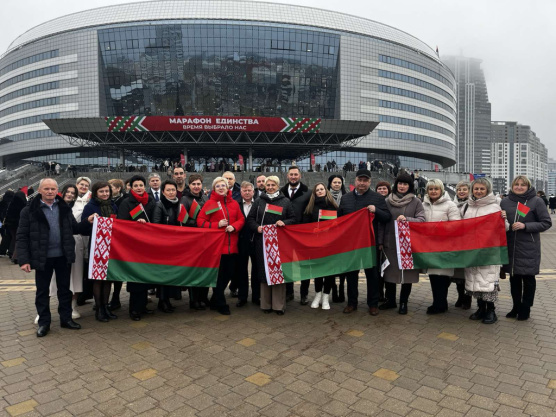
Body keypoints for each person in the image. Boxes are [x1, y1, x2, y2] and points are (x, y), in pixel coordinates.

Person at [17, 178, 94, 337]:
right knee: (42, 291)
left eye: (53, 189)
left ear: (57, 190)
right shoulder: (29, 210)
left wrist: (87, 221)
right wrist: (24, 260)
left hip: (63, 256)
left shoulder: (64, 207)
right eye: (46, 189)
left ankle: (66, 319)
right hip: (42, 257)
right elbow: (22, 236)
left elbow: (76, 228)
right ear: (40, 190)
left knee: (64, 290)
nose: (50, 192)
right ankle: (44, 322)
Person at [338, 168, 391, 315]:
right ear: (355, 181)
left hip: (370, 243)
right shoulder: (345, 198)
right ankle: (352, 303)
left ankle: (373, 304)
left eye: (365, 180)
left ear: (369, 182)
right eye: (359, 180)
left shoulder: (378, 198)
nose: (362, 183)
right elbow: (339, 221)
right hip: (351, 244)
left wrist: (376, 211)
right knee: (351, 275)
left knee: (372, 275)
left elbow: (387, 217)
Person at [501, 175, 551, 321]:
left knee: (528, 279)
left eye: (523, 185)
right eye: (517, 184)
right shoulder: (504, 201)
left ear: (528, 186)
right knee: (514, 279)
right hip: (510, 246)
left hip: (529, 247)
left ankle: (525, 308)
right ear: (512, 186)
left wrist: (526, 226)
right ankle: (516, 306)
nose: (519, 187)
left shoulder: (536, 201)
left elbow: (546, 223)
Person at [247, 176, 296, 315]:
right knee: (264, 271)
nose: (269, 187)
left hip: (279, 243)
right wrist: (257, 227)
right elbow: (250, 219)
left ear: (278, 186)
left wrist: (284, 222)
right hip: (262, 242)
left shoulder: (285, 201)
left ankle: (278, 305)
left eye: (272, 185)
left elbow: (293, 219)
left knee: (278, 271)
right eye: (267, 185)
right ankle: (266, 304)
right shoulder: (258, 201)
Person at [463, 178, 509, 324]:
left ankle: (491, 310)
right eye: (476, 188)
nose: (478, 191)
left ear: (487, 190)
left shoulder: (495, 207)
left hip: (489, 250)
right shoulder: (467, 206)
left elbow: (505, 228)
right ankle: (480, 308)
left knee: (487, 280)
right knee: (475, 279)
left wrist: (504, 219)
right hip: (472, 250)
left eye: (482, 189)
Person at [197, 177, 245, 315]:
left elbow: (241, 219)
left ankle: (214, 299)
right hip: (217, 247)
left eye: (223, 185)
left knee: (229, 274)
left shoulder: (234, 204)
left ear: (228, 187)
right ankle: (220, 303)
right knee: (219, 276)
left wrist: (234, 227)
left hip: (232, 246)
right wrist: (216, 225)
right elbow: (200, 222)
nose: (221, 188)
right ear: (214, 188)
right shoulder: (210, 204)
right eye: (218, 186)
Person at [379, 173, 425, 315]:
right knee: (389, 275)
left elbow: (422, 220)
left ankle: (403, 302)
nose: (402, 186)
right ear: (396, 185)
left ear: (410, 186)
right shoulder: (387, 201)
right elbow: (381, 223)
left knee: (407, 275)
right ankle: (390, 300)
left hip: (407, 245)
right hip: (390, 242)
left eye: (405, 184)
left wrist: (408, 219)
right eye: (400, 183)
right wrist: (380, 241)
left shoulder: (416, 202)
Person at [117, 175, 156, 320]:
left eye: (141, 185)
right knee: (135, 278)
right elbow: (122, 223)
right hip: (133, 245)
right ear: (131, 187)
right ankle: (134, 309)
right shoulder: (126, 202)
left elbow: (154, 220)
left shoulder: (150, 201)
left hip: (147, 244)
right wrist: (135, 224)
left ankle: (143, 305)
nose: (139, 188)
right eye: (136, 186)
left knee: (145, 276)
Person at [80, 181, 119, 322]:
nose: (105, 194)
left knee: (108, 278)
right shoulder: (90, 207)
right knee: (98, 278)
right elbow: (83, 229)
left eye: (107, 191)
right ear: (96, 192)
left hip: (111, 246)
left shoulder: (113, 205)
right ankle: (99, 308)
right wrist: (89, 222)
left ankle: (106, 306)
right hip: (97, 246)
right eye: (101, 191)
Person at [422, 179, 461, 314]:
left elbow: (456, 225)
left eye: (436, 189)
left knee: (443, 276)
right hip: (429, 247)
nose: (433, 191)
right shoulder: (424, 204)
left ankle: (440, 303)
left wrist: (440, 228)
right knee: (433, 276)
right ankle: (438, 302)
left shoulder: (450, 205)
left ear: (441, 190)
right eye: (430, 189)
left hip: (445, 246)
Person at [303, 183, 338, 310]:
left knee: (329, 272)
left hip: (330, 245)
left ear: (326, 190)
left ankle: (325, 297)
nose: (320, 191)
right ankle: (317, 295)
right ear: (314, 193)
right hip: (316, 245)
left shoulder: (334, 207)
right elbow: (305, 225)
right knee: (317, 271)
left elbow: (338, 225)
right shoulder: (310, 208)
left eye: (322, 189)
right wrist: (313, 231)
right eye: (317, 190)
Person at [280, 166, 310, 304]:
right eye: (291, 174)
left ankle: (304, 294)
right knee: (287, 264)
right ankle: (289, 292)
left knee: (304, 265)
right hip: (285, 234)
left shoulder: (308, 193)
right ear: (287, 176)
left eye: (295, 174)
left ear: (300, 176)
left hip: (303, 234)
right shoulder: (281, 192)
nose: (293, 177)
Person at [152, 180, 183, 313]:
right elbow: (156, 225)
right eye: (168, 190)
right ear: (163, 192)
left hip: (176, 244)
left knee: (173, 273)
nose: (171, 192)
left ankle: (169, 299)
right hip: (164, 244)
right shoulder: (160, 205)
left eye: (173, 190)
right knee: (164, 273)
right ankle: (162, 300)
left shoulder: (179, 204)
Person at [180, 174, 209, 309]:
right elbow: (182, 220)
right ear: (189, 185)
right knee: (194, 270)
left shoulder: (205, 198)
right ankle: (194, 300)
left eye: (198, 184)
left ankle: (203, 297)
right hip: (192, 239)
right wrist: (199, 223)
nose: (196, 186)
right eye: (193, 184)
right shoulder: (184, 199)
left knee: (205, 269)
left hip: (206, 239)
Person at [235, 181, 259, 306]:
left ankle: (256, 296)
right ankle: (242, 297)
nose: (247, 192)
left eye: (249, 190)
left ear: (253, 191)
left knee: (256, 270)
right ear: (241, 192)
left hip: (256, 241)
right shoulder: (236, 204)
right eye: (245, 191)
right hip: (241, 241)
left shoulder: (259, 203)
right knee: (241, 270)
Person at [452, 181, 472, 309]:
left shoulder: (472, 205)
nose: (462, 191)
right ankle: (460, 296)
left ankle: (467, 299)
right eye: (459, 189)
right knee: (457, 273)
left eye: (465, 189)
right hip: (455, 243)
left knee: (466, 273)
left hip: (468, 243)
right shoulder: (452, 205)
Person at [327, 175, 347, 302]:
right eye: (334, 182)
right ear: (330, 183)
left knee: (343, 264)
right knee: (331, 264)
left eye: (339, 182)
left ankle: (341, 288)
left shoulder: (346, 197)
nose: (337, 184)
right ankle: (333, 288)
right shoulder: (325, 197)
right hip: (329, 236)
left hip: (343, 236)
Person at [73, 177, 92, 308]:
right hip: (75, 238)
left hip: (88, 238)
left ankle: (84, 294)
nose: (84, 187)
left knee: (86, 269)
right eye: (81, 184)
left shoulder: (91, 200)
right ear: (77, 185)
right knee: (76, 269)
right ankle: (75, 297)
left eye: (86, 185)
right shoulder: (71, 200)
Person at [4, 190, 27, 264]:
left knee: (14, 238)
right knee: (18, 240)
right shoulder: (23, 204)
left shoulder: (12, 203)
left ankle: (11, 252)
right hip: (19, 225)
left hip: (11, 225)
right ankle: (15, 256)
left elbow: (7, 215)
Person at [0, 190, 15, 257]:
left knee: (5, 236)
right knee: (9, 237)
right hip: (8, 223)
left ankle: (3, 251)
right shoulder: (12, 203)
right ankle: (8, 250)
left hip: (2, 223)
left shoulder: (2, 203)